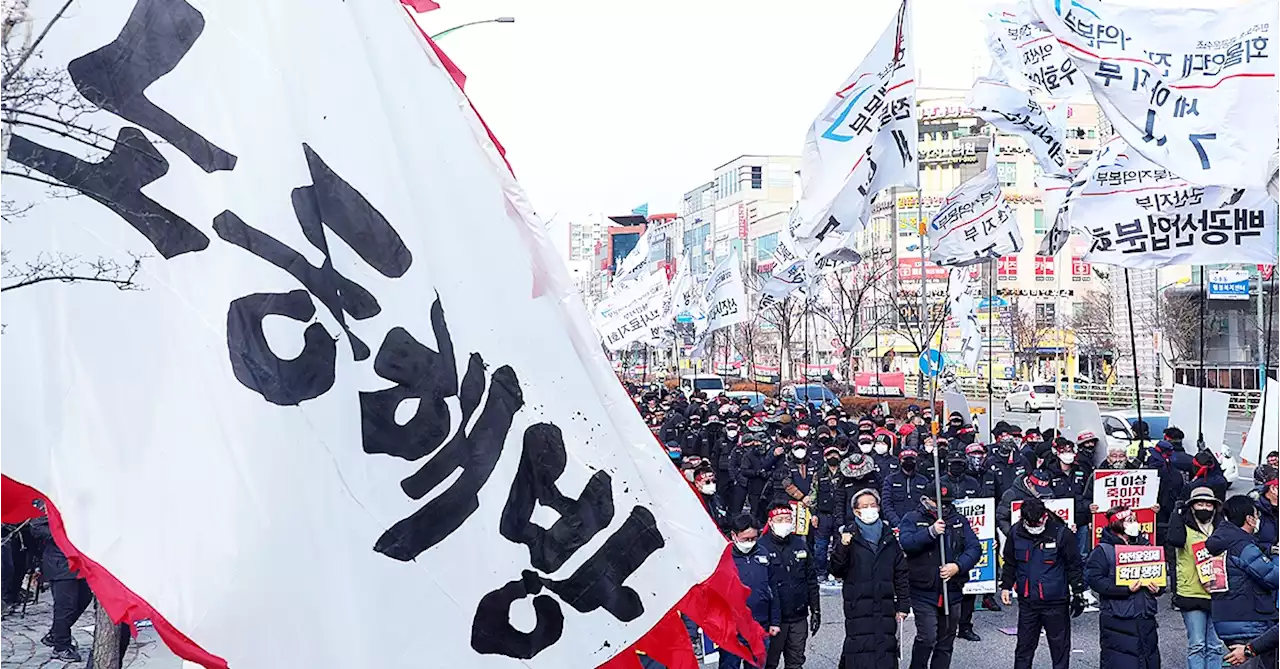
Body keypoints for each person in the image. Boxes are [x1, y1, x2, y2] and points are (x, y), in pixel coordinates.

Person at [898, 486, 981, 669]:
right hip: (923, 589)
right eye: (938, 503)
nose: (943, 507)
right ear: (926, 499)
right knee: (927, 637)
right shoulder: (912, 518)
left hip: (952, 589)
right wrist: (930, 533)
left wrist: (958, 566)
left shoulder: (958, 520)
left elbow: (974, 548)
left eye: (947, 503)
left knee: (946, 640)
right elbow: (906, 543)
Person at [999, 498, 1086, 669]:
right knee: (1024, 647)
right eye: (1030, 522)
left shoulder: (1061, 533)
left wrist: (1078, 593)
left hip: (1055, 600)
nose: (1035, 525)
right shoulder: (1016, 533)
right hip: (1028, 600)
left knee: (1059, 648)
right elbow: (1010, 562)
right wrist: (1006, 586)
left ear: (1045, 516)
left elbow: (1074, 565)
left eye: (1038, 521)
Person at [829, 488, 909, 669]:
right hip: (858, 604)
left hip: (886, 603)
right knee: (860, 649)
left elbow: (901, 572)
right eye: (864, 506)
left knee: (885, 648)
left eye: (873, 505)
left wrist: (903, 605)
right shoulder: (848, 535)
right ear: (856, 511)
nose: (870, 509)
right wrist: (843, 546)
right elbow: (836, 570)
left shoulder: (889, 536)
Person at [1084, 506, 1164, 669]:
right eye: (1129, 521)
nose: (1135, 524)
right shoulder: (1102, 551)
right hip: (1118, 617)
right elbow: (1096, 581)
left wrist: (1159, 588)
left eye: (1135, 520)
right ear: (1117, 524)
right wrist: (1125, 589)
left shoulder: (1146, 546)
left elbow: (1160, 577)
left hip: (1144, 615)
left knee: (1148, 658)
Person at [1206, 495, 1280, 665]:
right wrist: (1276, 557)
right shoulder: (1242, 545)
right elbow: (1273, 577)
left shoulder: (1220, 540)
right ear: (1249, 519)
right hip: (1250, 620)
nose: (1258, 520)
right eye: (1256, 516)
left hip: (1225, 617)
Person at [1166, 487, 1227, 669]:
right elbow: (1173, 540)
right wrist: (1177, 513)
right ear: (1191, 507)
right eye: (1200, 504)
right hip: (1191, 591)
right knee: (1197, 644)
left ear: (1215, 507)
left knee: (1216, 646)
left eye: (1208, 505)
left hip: (1218, 591)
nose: (1204, 508)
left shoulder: (1221, 527)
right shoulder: (1182, 527)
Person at [760, 505, 820, 669]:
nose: (784, 523)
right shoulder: (761, 547)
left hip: (798, 616)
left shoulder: (800, 544)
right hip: (773, 620)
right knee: (768, 663)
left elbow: (811, 580)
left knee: (796, 662)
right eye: (780, 520)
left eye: (788, 519)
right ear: (771, 522)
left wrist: (816, 610)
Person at [30, 515, 90, 662]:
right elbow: (36, 528)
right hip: (60, 563)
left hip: (79, 562)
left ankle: (55, 634)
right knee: (65, 607)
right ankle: (61, 646)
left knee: (85, 598)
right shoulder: (53, 500)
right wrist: (63, 533)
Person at [724, 514, 780, 669]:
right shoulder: (723, 557)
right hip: (732, 630)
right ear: (734, 535)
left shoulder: (764, 554)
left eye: (753, 539)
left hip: (759, 627)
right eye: (745, 539)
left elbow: (773, 588)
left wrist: (775, 621)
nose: (750, 543)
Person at [996, 470, 1054, 539]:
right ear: (1029, 483)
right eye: (1038, 489)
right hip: (1019, 535)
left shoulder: (1048, 493)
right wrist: (1011, 534)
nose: (1040, 493)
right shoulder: (1011, 494)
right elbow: (1001, 518)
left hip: (1043, 535)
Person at [882, 448, 931, 528]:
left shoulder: (923, 480)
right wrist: (897, 523)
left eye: (912, 459)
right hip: (896, 525)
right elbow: (886, 504)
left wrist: (918, 520)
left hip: (918, 524)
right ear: (900, 461)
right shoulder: (890, 479)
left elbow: (927, 503)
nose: (909, 462)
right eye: (905, 459)